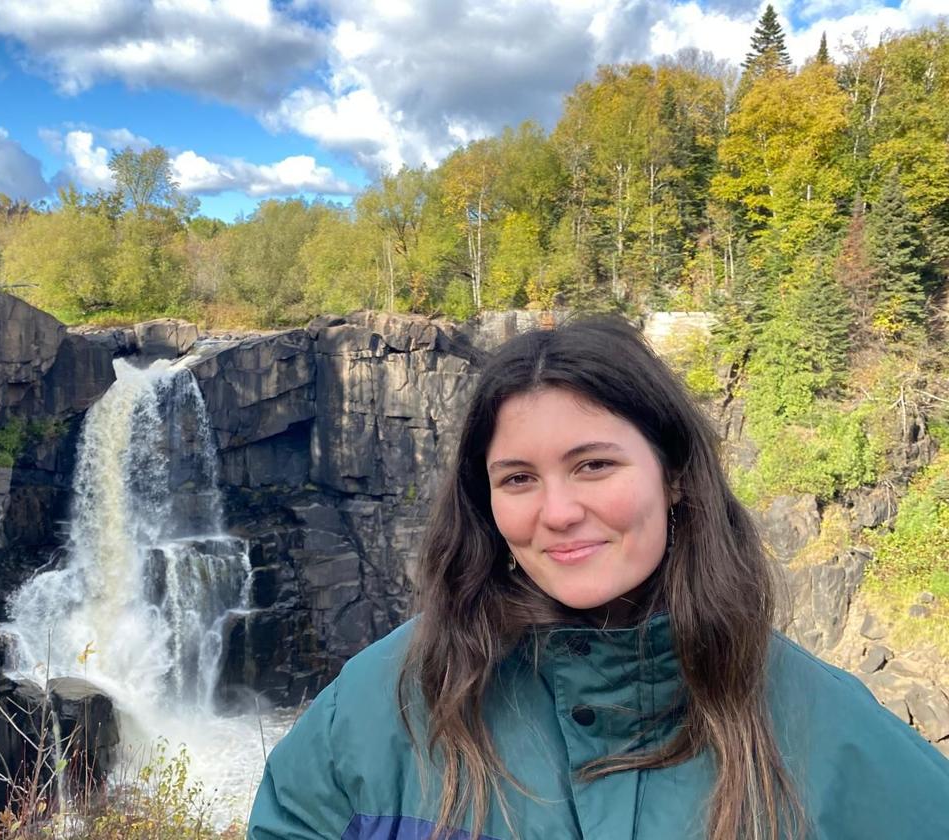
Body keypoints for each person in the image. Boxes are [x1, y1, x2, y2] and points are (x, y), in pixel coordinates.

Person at [247, 317, 949, 840]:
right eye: (518, 478)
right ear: (486, 505)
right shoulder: (377, 705)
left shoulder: (828, 732)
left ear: (672, 475)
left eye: (594, 465)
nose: (558, 512)